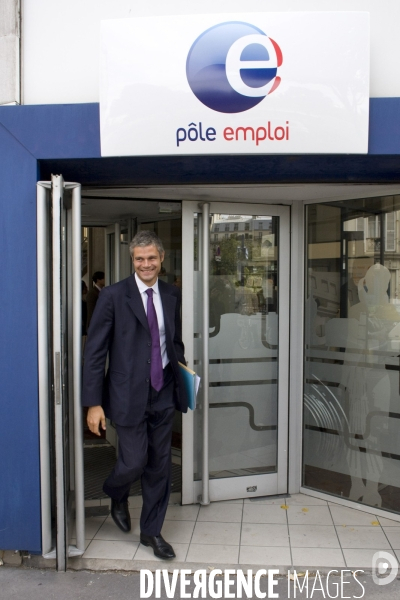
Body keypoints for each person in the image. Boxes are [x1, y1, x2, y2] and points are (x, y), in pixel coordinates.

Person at [82, 231, 188, 560]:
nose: (146, 264)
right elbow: (95, 352)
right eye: (140, 259)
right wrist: (94, 402)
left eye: (151, 258)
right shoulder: (114, 296)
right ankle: (116, 492)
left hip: (163, 393)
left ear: (161, 260)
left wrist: (185, 379)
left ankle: (152, 532)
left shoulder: (171, 294)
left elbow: (175, 341)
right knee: (133, 461)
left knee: (159, 467)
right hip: (126, 395)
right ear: (133, 260)